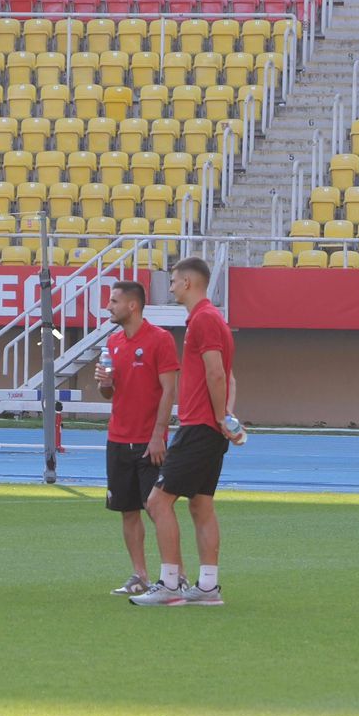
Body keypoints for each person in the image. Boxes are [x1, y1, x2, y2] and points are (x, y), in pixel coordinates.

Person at [131, 256, 236, 607]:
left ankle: (170, 584)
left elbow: (218, 374)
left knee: (157, 502)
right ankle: (207, 587)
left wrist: (219, 417)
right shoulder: (213, 319)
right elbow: (229, 376)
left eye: (174, 280)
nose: (171, 285)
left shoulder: (204, 320)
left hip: (199, 428)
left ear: (188, 283)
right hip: (209, 428)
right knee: (201, 506)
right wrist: (226, 419)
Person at [95, 280, 181, 596]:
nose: (109, 306)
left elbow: (169, 390)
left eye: (114, 301)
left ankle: (176, 574)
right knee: (127, 509)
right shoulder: (113, 343)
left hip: (149, 440)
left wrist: (158, 435)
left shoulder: (160, 340)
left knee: (158, 508)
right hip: (117, 438)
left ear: (132, 305)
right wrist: (104, 383)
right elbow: (108, 393)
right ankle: (140, 575)